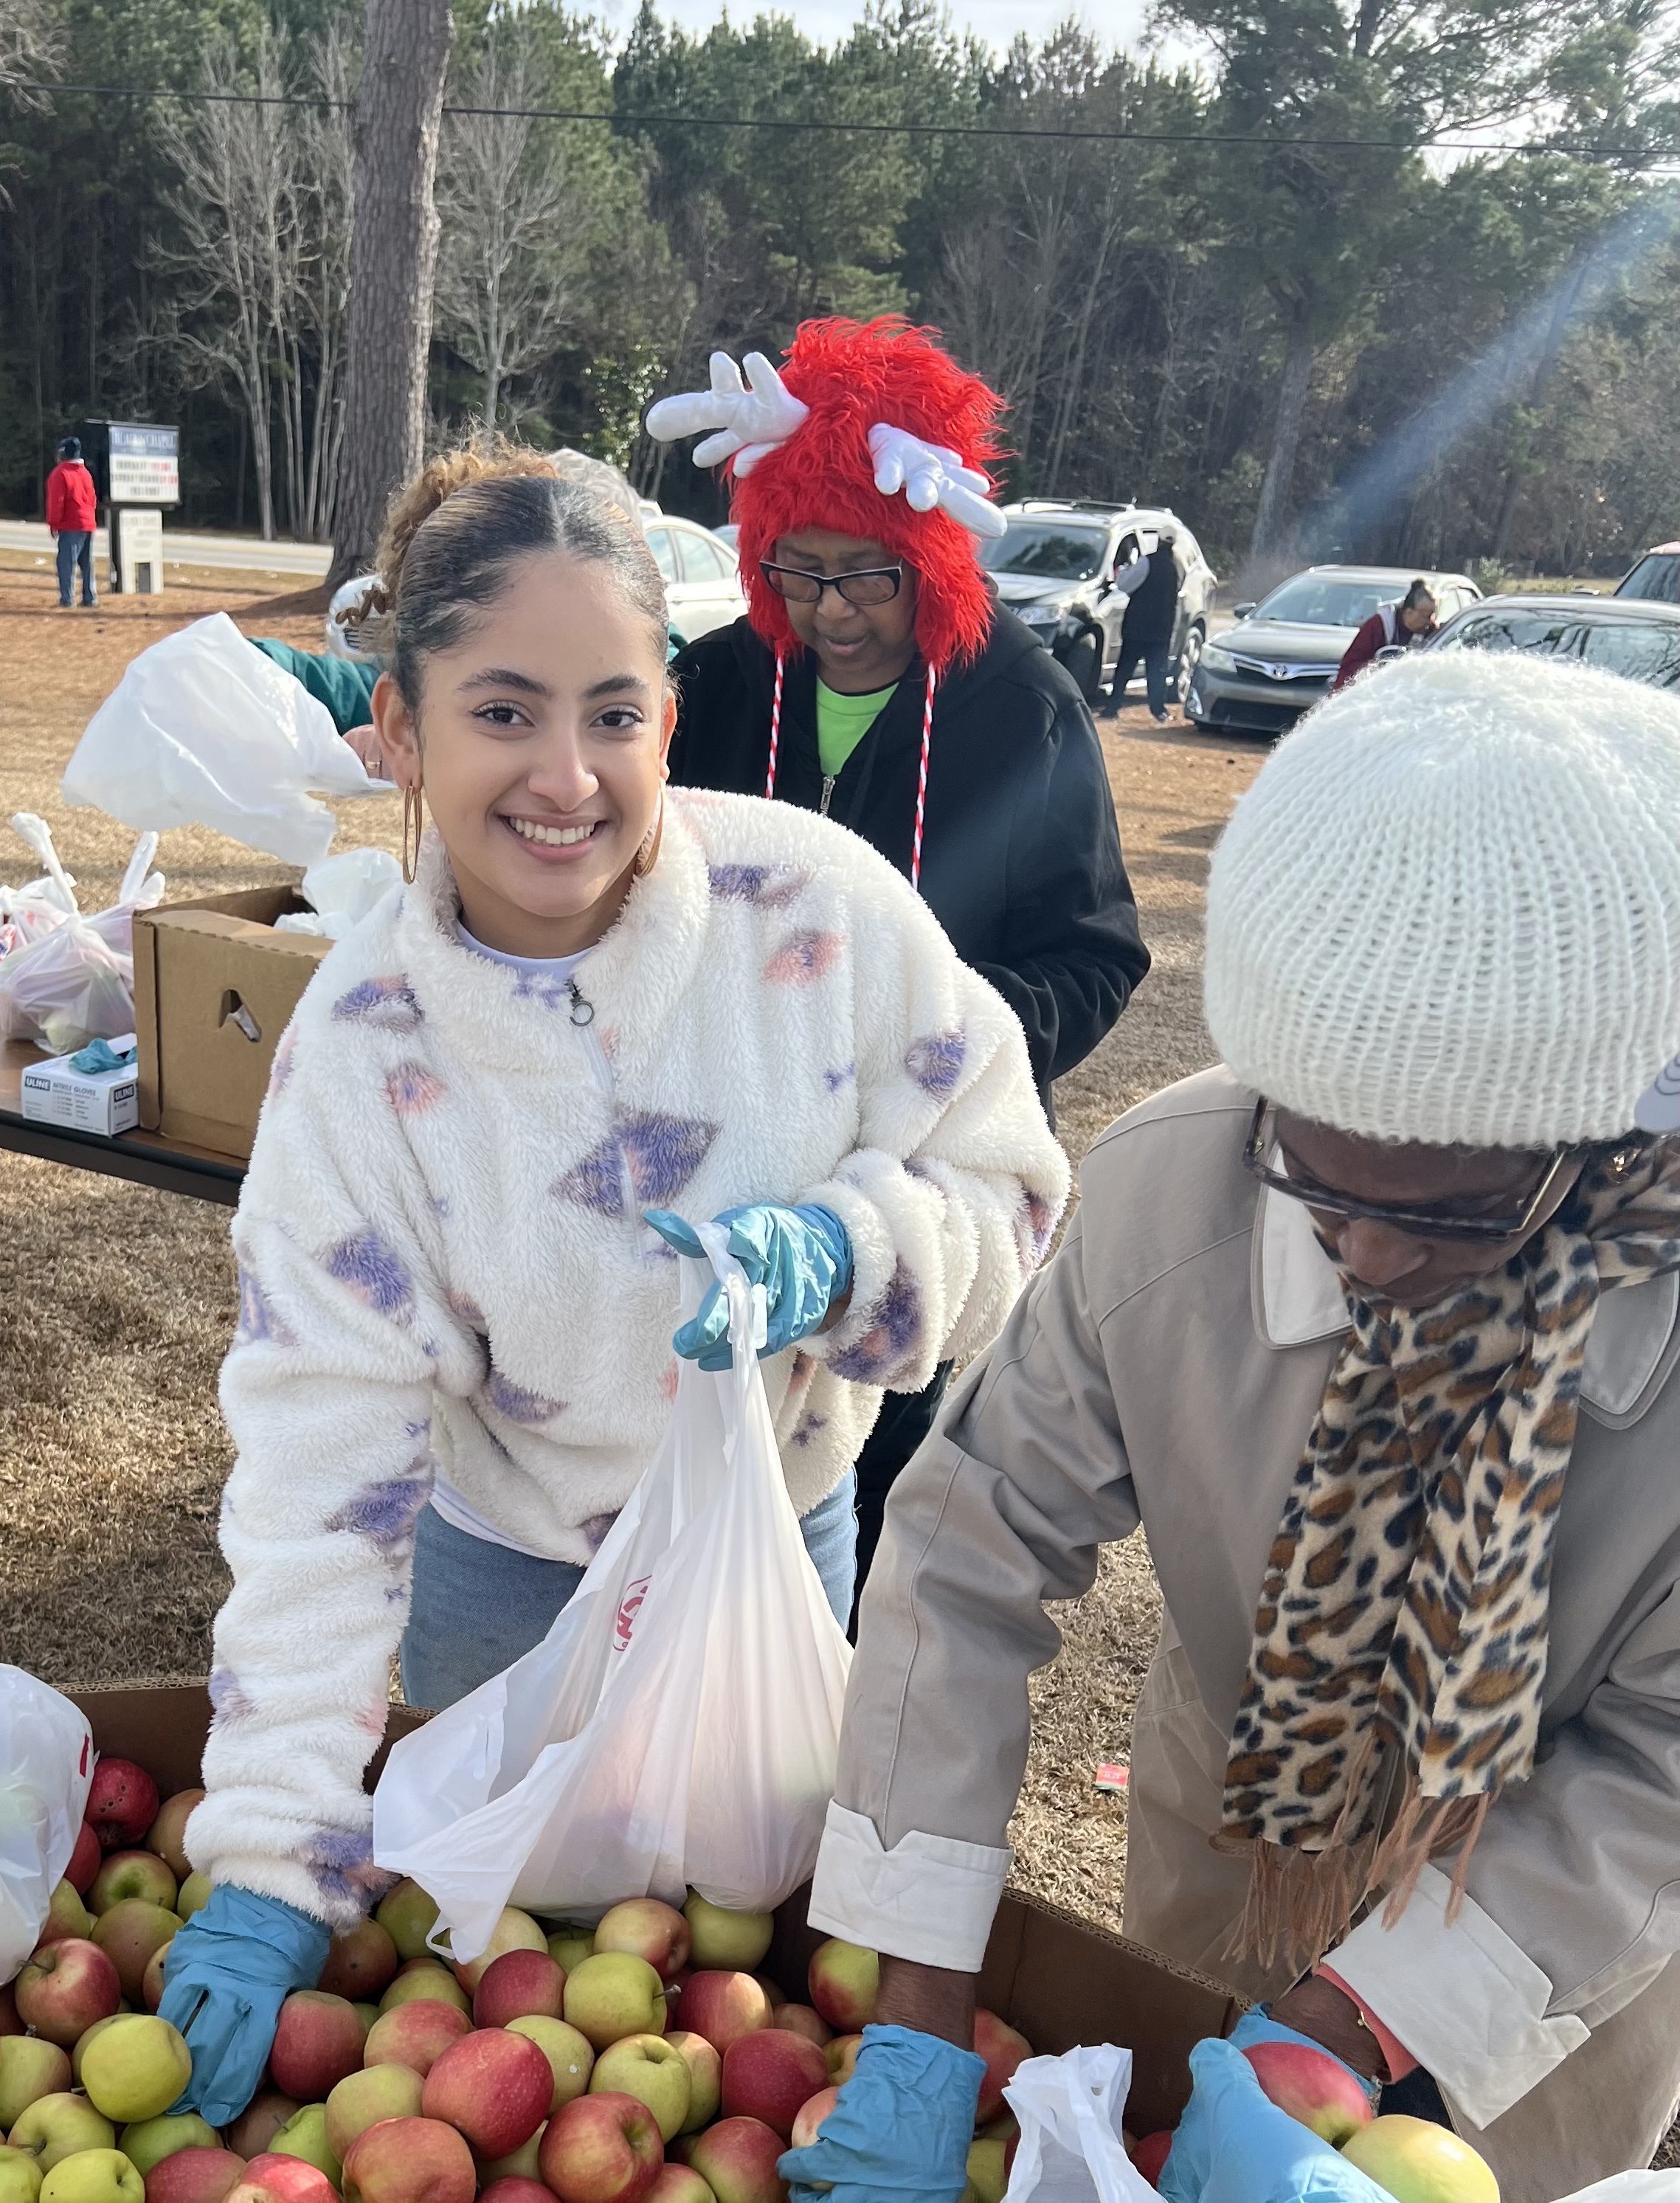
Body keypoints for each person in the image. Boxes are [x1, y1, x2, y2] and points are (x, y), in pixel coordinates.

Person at [156, 443, 1068, 2128]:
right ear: (398, 727)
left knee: (746, 1967)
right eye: (501, 711)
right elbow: (317, 1460)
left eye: (614, 711)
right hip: (501, 1594)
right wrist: (279, 1844)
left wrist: (848, 1253)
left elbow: (1006, 1187)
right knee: (524, 1957)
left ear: (670, 713)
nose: (565, 776)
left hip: (774, 1559)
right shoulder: (363, 1056)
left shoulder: (822, 917)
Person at [786, 650, 1680, 2201]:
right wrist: (916, 2000)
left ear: (1610, 1131)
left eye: (1466, 1205)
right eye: (1319, 1178)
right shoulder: (1167, 1196)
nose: (1374, 1251)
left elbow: (1658, 1765)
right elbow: (962, 1545)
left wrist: (1343, 2031)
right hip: (1234, 1860)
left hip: (1548, 1954)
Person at [643, 317, 1149, 1604]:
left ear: (927, 557)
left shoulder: (1020, 709)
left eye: (867, 576)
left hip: (907, 1172)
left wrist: (937, 1044)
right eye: (796, 572)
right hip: (718, 1131)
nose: (832, 612)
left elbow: (1094, 955)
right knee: (686, 1422)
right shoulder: (715, 684)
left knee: (858, 1472)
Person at [1100, 524, 1181, 722]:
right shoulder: (1178, 567)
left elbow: (1124, 584)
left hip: (1138, 626)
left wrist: (1124, 571)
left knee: (1125, 668)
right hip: (1162, 629)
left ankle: (1113, 707)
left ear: (1159, 540)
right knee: (1156, 672)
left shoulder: (1147, 562)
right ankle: (1158, 711)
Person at [1331, 575, 1438, 690]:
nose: (1429, 621)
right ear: (1408, 612)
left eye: (1432, 615)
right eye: (1425, 616)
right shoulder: (1379, 625)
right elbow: (1350, 665)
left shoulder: (1431, 631)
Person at [46, 435, 97, 609]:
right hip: (88, 522)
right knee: (87, 563)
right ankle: (90, 597)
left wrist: (54, 523)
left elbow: (57, 501)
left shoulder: (61, 473)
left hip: (71, 524)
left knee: (66, 563)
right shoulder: (85, 473)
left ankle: (67, 599)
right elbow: (92, 499)